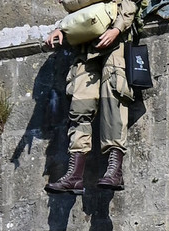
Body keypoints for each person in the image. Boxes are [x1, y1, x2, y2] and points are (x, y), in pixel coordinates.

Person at [44, 0, 137, 194]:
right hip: (86, 48)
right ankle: (74, 176)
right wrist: (61, 29)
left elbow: (129, 3)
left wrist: (117, 30)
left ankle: (114, 170)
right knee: (80, 106)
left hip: (115, 43)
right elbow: (78, 14)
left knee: (113, 100)